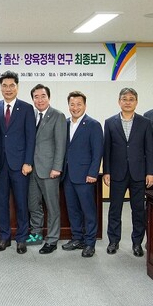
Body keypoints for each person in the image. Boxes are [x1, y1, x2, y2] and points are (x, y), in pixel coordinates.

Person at [103, 87, 153, 257]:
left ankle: (137, 243)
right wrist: (106, 171)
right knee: (115, 209)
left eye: (131, 99)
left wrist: (150, 172)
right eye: (124, 99)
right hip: (117, 173)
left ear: (136, 102)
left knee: (138, 210)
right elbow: (107, 149)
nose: (127, 102)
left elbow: (149, 149)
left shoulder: (145, 122)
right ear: (119, 102)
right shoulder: (110, 122)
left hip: (138, 173)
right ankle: (113, 241)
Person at [0, 71, 35, 254]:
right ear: (0, 88)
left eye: (11, 85)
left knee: (21, 202)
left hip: (20, 165)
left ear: (17, 87)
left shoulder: (26, 108)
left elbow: (31, 137)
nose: (8, 89)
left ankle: (22, 238)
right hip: (0, 165)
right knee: (1, 202)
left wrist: (28, 162)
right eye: (5, 85)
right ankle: (4, 237)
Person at [61, 91, 103, 258]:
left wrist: (93, 172)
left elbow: (97, 152)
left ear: (85, 105)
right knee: (72, 210)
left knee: (88, 211)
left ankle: (90, 243)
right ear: (68, 106)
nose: (75, 107)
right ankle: (77, 238)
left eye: (79, 104)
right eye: (72, 104)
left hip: (85, 176)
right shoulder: (64, 123)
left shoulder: (93, 124)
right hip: (68, 175)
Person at [27, 84, 67, 254]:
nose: (40, 100)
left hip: (50, 170)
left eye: (43, 96)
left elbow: (61, 144)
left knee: (52, 206)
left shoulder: (57, 115)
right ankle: (36, 233)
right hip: (31, 169)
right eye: (36, 97)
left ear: (48, 97)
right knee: (33, 204)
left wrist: (57, 167)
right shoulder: (31, 115)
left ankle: (52, 239)